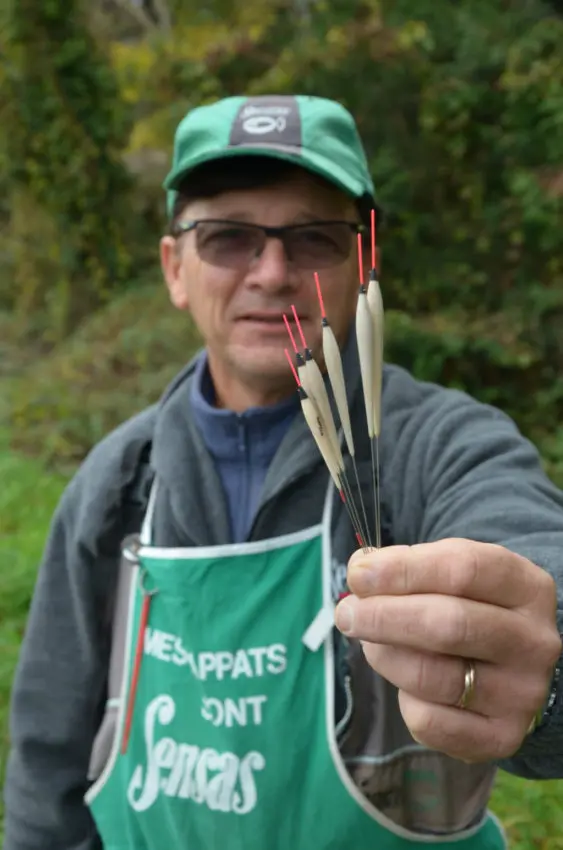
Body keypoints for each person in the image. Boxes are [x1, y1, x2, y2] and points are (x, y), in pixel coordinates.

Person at [3, 94, 563, 850]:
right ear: (175, 268)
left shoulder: (438, 445)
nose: (272, 273)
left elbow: (528, 549)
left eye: (313, 238)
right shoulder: (117, 486)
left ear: (363, 261)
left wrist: (543, 668)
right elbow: (47, 771)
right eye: (228, 238)